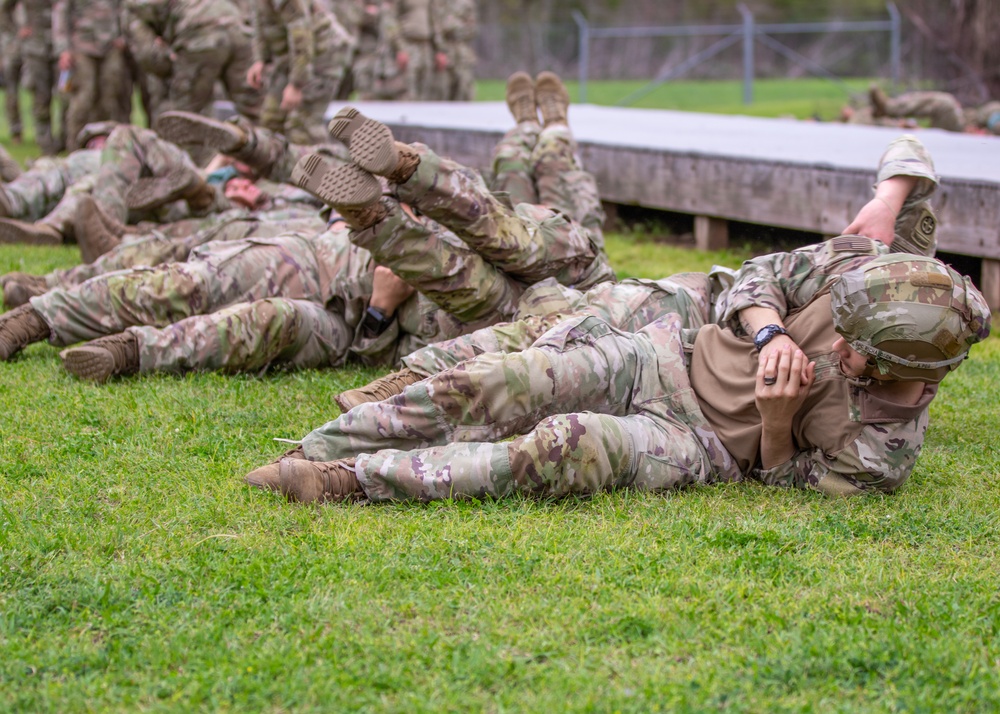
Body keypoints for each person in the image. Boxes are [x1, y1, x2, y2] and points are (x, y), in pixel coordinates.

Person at [244, 245, 991, 504]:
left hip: (702, 447)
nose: (837, 349)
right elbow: (759, 276)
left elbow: (780, 483)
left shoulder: (879, 454)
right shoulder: (864, 277)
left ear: (901, 366)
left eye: (856, 353)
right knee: (508, 380)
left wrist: (772, 421)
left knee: (562, 446)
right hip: (668, 355)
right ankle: (321, 447)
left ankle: (350, 484)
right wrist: (766, 333)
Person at [247, 0, 355, 144]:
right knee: (271, 122)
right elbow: (260, 21)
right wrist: (260, 59)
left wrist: (296, 84)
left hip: (322, 58)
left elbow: (302, 36)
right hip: (291, 60)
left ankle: (326, 163)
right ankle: (278, 166)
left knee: (302, 128)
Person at [58, 0, 132, 151]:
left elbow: (125, 8)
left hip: (111, 46)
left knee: (111, 98)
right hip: (82, 46)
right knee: (83, 99)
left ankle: (112, 147)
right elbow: (61, 13)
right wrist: (63, 49)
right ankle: (75, 148)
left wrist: (124, 35)